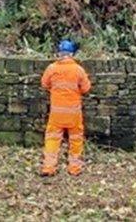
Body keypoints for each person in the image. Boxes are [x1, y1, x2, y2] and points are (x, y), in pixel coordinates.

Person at [39, 38, 92, 176]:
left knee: (52, 138)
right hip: (74, 112)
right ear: (72, 54)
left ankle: (49, 168)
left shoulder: (51, 68)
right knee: (76, 139)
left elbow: (44, 84)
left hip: (56, 113)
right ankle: (74, 168)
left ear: (59, 53)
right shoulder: (78, 70)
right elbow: (86, 88)